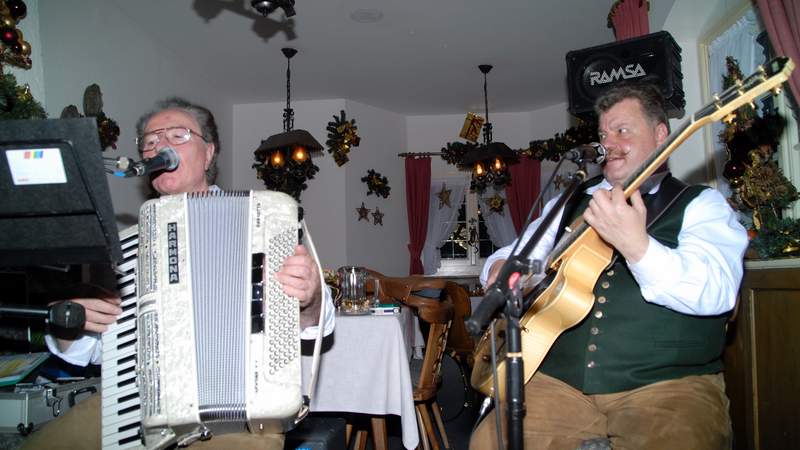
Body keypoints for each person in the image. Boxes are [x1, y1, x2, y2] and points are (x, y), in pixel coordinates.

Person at [23, 97, 335, 450]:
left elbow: (319, 321)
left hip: (243, 415)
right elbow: (84, 352)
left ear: (209, 153)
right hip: (134, 406)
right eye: (150, 141)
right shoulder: (126, 245)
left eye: (178, 135)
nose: (160, 146)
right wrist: (73, 321)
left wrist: (310, 298)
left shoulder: (265, 220)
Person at [470, 83, 748, 450]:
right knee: (490, 441)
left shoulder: (702, 204)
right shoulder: (574, 199)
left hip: (668, 387)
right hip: (558, 382)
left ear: (660, 134)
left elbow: (717, 293)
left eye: (622, 131)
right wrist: (500, 265)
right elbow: (515, 252)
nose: (608, 143)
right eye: (603, 134)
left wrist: (639, 247)